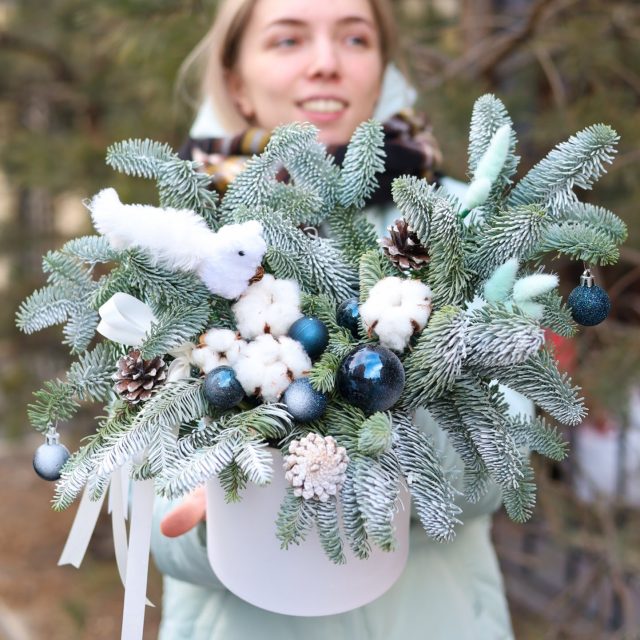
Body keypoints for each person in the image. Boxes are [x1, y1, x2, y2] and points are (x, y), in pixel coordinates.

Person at [150, 1, 530, 638]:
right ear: (237, 83)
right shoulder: (182, 247)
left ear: (381, 69)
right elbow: (161, 528)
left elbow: (501, 468)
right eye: (288, 40)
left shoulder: (464, 225)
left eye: (354, 38)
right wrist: (223, 513)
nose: (326, 63)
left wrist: (386, 429)